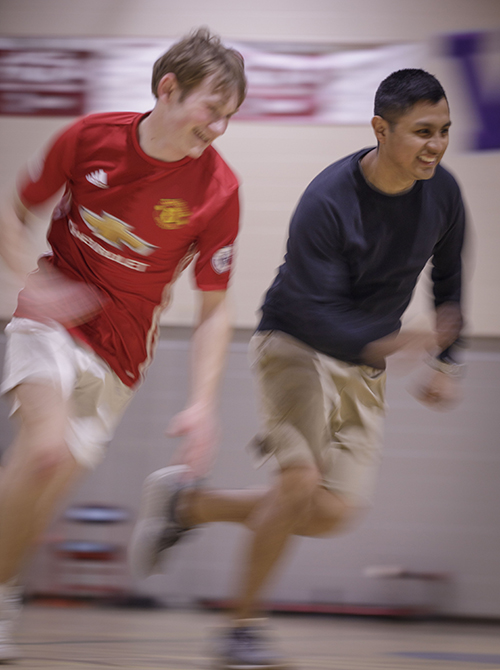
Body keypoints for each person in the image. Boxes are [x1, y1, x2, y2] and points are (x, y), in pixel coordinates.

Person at [129, 68, 467, 670]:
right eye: (421, 132)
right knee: (298, 483)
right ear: (380, 129)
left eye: (443, 130)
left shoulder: (443, 193)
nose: (435, 145)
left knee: (335, 513)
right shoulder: (328, 199)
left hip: (364, 363)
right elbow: (318, 314)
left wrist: (447, 361)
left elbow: (449, 279)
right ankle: (242, 629)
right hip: (296, 344)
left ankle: (190, 507)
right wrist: (397, 341)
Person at [0, 27, 246, 661]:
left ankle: (4, 588)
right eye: (211, 111)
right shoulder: (89, 138)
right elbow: (13, 210)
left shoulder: (219, 190)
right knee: (44, 450)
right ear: (169, 89)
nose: (219, 128)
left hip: (122, 354)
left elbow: (215, 308)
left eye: (229, 117)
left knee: (44, 497)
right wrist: (33, 275)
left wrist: (202, 403)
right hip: (48, 321)